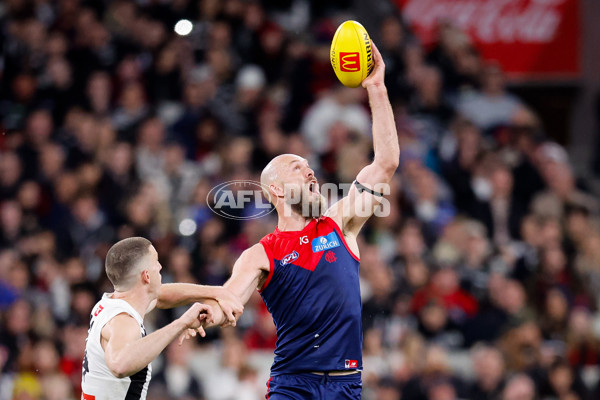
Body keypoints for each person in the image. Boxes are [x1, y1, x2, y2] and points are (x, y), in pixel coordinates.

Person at [204, 42, 399, 399]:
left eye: (310, 169)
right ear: (276, 190)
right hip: (293, 386)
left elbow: (384, 163)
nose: (310, 174)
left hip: (347, 385)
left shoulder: (338, 222)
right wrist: (208, 314)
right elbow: (229, 299)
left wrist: (376, 88)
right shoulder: (260, 254)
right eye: (298, 169)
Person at [81, 236, 243, 400]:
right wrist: (181, 323)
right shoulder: (123, 320)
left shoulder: (112, 302)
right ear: (146, 276)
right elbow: (119, 364)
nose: (160, 266)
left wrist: (215, 292)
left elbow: (162, 295)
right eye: (156, 261)